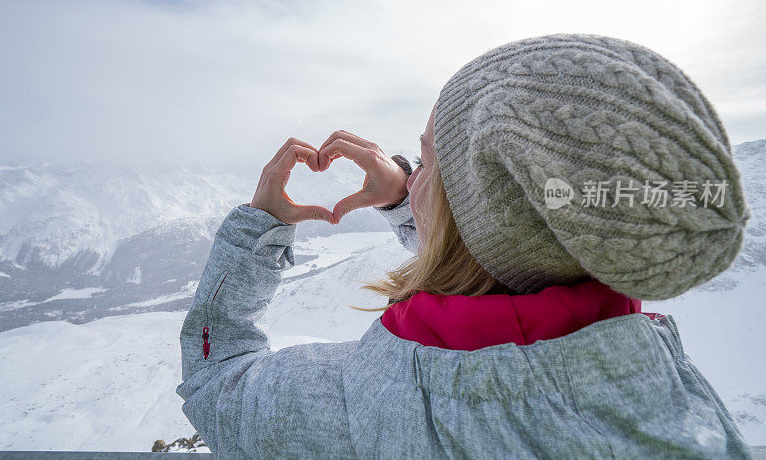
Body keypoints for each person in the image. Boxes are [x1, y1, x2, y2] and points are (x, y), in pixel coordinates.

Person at [176, 33, 753, 459]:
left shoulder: (351, 406)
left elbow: (215, 375)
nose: (412, 169)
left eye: (426, 160)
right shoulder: (676, 395)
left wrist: (261, 226)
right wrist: (409, 197)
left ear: (469, 213)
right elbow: (498, 251)